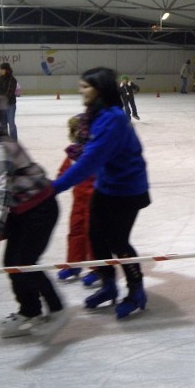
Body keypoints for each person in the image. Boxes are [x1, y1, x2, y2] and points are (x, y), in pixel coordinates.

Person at [0, 92, 65, 338]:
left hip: (40, 209)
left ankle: (57, 309)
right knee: (13, 264)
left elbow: (2, 189)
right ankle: (30, 311)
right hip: (26, 210)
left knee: (24, 263)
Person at [51, 67, 151, 320]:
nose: (80, 90)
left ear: (100, 89)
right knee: (95, 237)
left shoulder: (114, 119)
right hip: (106, 186)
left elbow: (89, 162)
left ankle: (136, 291)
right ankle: (108, 286)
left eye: (85, 86)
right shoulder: (98, 114)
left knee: (118, 241)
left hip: (128, 190)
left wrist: (53, 189)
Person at [55, 113, 98, 285]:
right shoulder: (74, 152)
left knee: (93, 233)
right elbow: (63, 173)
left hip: (96, 200)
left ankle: (98, 267)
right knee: (76, 229)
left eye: (73, 130)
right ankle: (74, 263)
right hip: (79, 200)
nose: (71, 134)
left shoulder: (97, 152)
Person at [0, 62, 18, 140]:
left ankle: (13, 141)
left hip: (10, 105)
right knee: (3, 124)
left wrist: (1, 99)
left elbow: (10, 92)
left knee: (11, 124)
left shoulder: (12, 80)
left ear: (6, 70)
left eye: (2, 69)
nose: (0, 71)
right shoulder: (0, 79)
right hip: (2, 105)